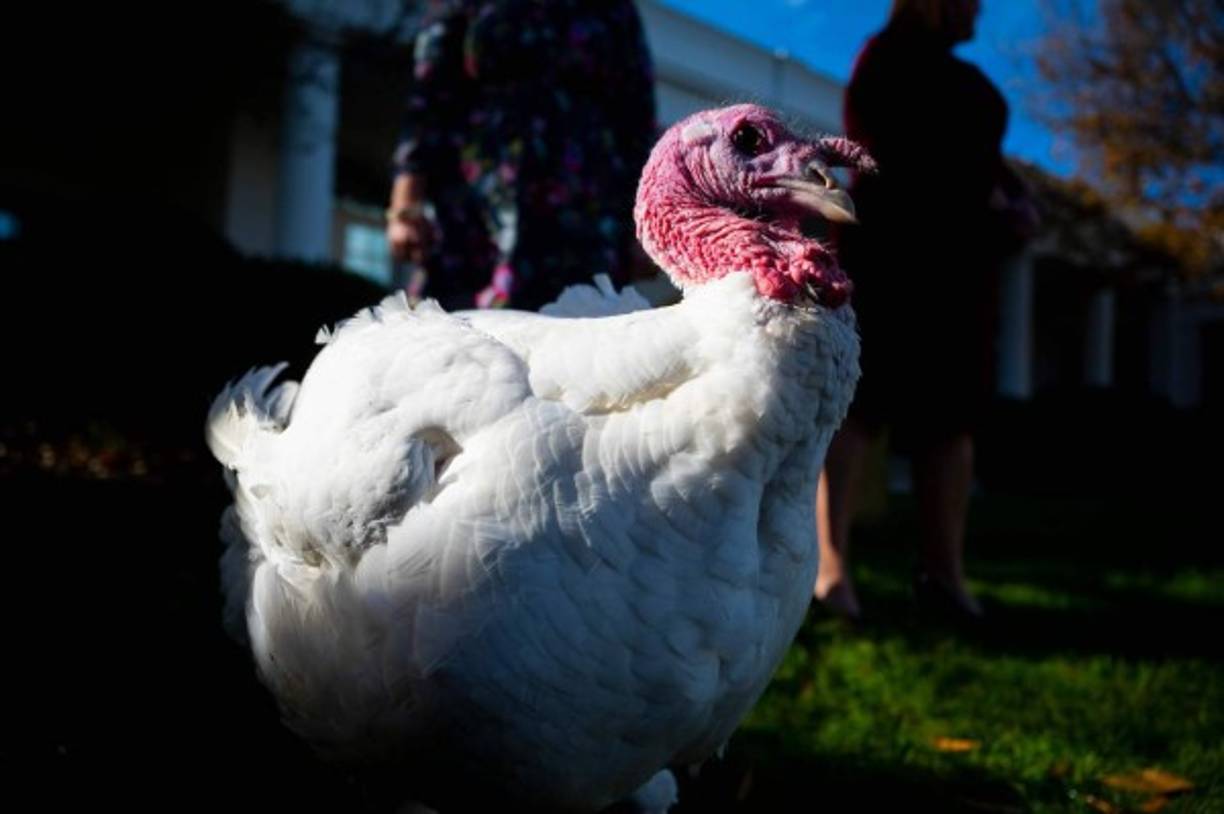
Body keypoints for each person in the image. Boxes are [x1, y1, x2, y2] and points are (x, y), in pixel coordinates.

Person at [814, 0, 1038, 622]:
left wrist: (1015, 201)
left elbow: (988, 166)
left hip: (959, 272)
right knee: (861, 406)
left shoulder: (964, 81)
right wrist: (979, 205)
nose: (981, 12)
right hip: (893, 257)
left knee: (951, 420)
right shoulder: (885, 61)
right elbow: (886, 158)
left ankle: (944, 575)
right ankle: (830, 570)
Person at [386, 0, 657, 312]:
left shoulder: (614, 9)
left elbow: (636, 118)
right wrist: (405, 203)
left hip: (586, 213)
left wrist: (643, 228)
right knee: (469, 336)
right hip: (477, 210)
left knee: (581, 336)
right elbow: (430, 97)